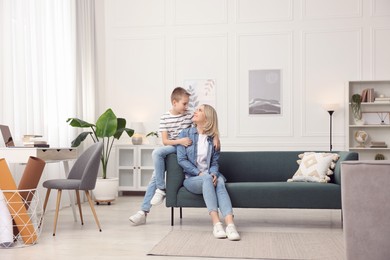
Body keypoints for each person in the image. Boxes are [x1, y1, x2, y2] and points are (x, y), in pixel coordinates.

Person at [128, 87, 220, 225]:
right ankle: (158, 191)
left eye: (188, 104)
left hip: (186, 150)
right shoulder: (165, 118)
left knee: (155, 173)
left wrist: (216, 137)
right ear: (174, 102)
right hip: (174, 146)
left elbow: (208, 122)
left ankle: (145, 208)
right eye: (184, 104)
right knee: (157, 155)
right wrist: (180, 141)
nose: (187, 107)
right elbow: (165, 141)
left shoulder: (189, 114)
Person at [176, 104, 240, 241]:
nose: (195, 112)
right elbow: (182, 160)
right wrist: (200, 174)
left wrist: (214, 174)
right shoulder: (185, 134)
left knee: (220, 181)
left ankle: (230, 225)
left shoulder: (213, 139)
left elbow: (215, 163)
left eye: (200, 110)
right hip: (192, 178)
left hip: (209, 175)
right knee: (206, 179)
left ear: (207, 117)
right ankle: (217, 224)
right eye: (196, 109)